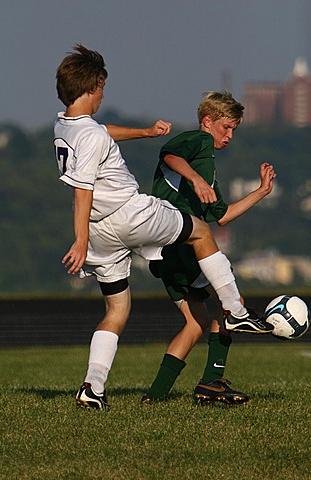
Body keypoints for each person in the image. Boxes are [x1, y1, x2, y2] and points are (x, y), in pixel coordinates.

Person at [54, 45, 273, 410]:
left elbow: (100, 133)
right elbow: (83, 190)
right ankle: (236, 312)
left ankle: (93, 388)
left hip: (100, 232)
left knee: (117, 310)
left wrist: (143, 131)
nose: (103, 96)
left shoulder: (65, 126)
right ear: (94, 87)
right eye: (103, 89)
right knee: (201, 231)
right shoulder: (97, 136)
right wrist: (77, 241)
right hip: (130, 214)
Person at [142, 91, 276, 405]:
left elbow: (222, 216)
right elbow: (169, 154)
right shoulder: (198, 143)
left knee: (196, 322)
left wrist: (261, 192)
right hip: (179, 239)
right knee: (232, 302)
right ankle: (212, 382)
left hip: (164, 250)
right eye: (226, 128)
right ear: (208, 121)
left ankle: (155, 396)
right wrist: (195, 179)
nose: (229, 136)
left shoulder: (206, 170)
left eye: (234, 131)